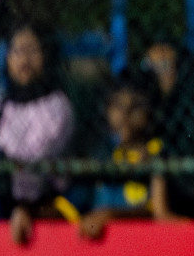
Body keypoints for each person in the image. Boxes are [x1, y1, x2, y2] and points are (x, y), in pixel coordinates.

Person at [0, 23, 73, 244]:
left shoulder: (58, 105)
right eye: (18, 51)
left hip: (44, 200)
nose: (25, 58)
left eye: (33, 50)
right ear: (7, 60)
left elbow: (40, 153)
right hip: (3, 198)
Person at [76, 69, 177, 240]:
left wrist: (111, 215)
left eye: (136, 106)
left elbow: (157, 213)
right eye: (118, 105)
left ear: (151, 110)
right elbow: (74, 201)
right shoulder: (103, 153)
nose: (125, 114)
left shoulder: (158, 152)